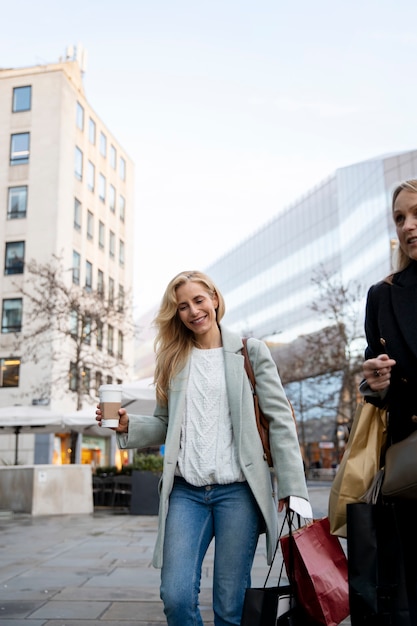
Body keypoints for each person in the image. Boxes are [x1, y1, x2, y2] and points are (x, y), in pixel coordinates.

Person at [96, 270, 310, 626]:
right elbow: (166, 425)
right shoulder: (173, 360)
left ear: (214, 297)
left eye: (198, 300)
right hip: (186, 492)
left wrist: (292, 487)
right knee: (176, 596)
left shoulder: (249, 352)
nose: (193, 311)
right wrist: (128, 425)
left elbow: (280, 421)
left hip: (238, 493)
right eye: (182, 307)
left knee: (231, 606)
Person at [359, 179, 417, 624]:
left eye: (416, 214)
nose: (408, 226)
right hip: (410, 465)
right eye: (400, 218)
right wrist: (377, 383)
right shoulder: (383, 294)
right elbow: (376, 383)